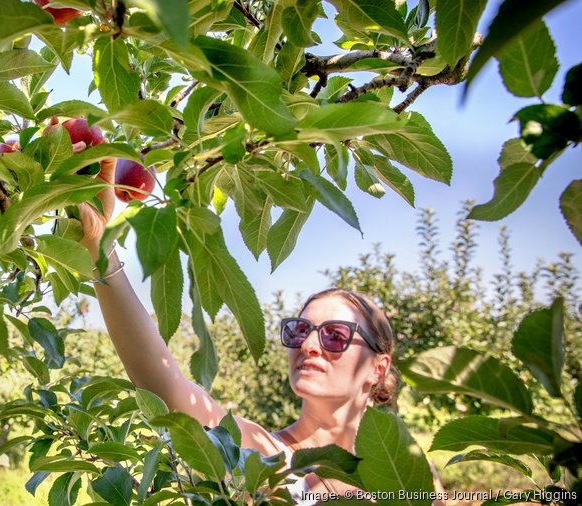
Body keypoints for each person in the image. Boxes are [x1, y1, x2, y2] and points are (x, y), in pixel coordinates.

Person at [74, 157, 444, 504]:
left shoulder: (409, 472)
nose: (309, 345)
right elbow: (164, 384)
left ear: (378, 368)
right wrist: (98, 247)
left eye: (334, 334)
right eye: (299, 331)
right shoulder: (267, 458)